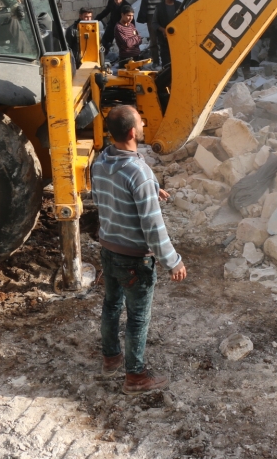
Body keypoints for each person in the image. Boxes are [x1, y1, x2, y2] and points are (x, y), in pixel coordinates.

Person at [93, 105, 187, 394]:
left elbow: (109, 191)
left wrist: (151, 187)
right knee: (136, 317)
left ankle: (111, 359)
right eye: (140, 120)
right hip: (134, 260)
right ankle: (135, 377)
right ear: (133, 131)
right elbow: (153, 227)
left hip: (108, 249)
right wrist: (173, 261)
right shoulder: (138, 174)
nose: (144, 122)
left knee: (111, 305)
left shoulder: (101, 160)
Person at [133, 0, 175, 66]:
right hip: (150, 16)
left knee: (166, 37)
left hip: (162, 14)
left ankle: (168, 61)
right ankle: (156, 61)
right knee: (153, 39)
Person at [154, 0, 181, 66]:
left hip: (178, 41)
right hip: (165, 42)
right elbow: (154, 23)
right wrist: (163, 30)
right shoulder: (159, 7)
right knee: (167, 65)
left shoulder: (179, 5)